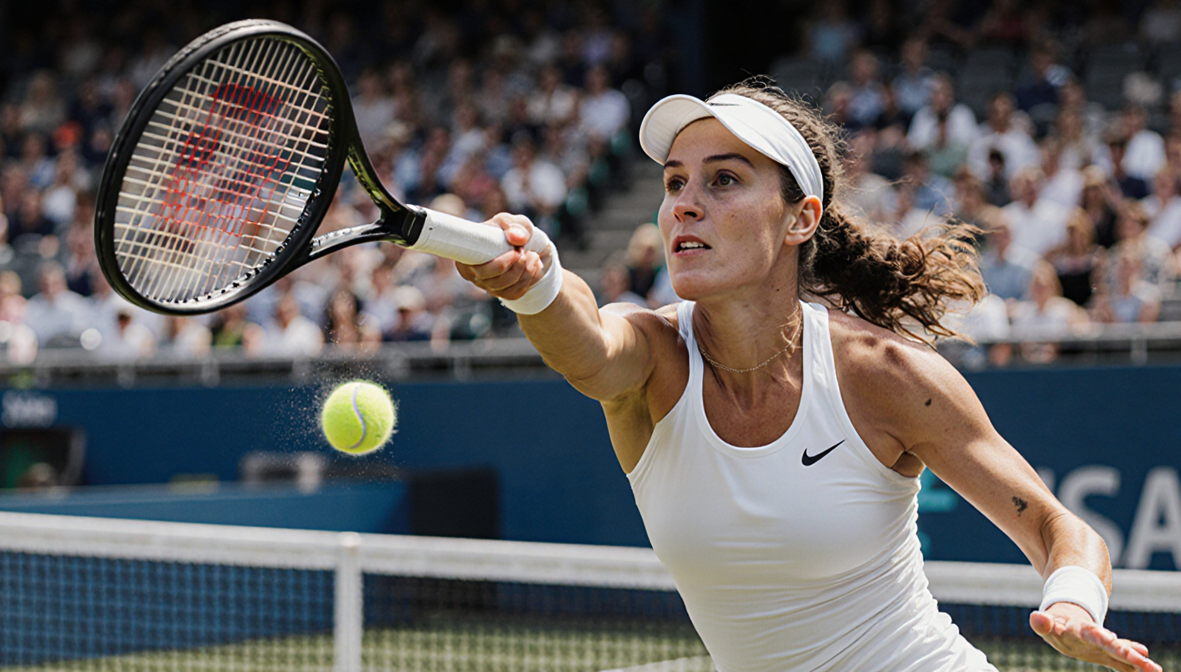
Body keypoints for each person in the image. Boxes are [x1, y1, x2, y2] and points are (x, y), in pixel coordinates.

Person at [455, 79, 1160, 672]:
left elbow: (1054, 526)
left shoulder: (884, 373)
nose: (684, 204)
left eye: (723, 179)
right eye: (675, 183)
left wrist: (1071, 601)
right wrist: (535, 283)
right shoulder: (650, 358)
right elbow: (585, 341)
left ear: (800, 219)